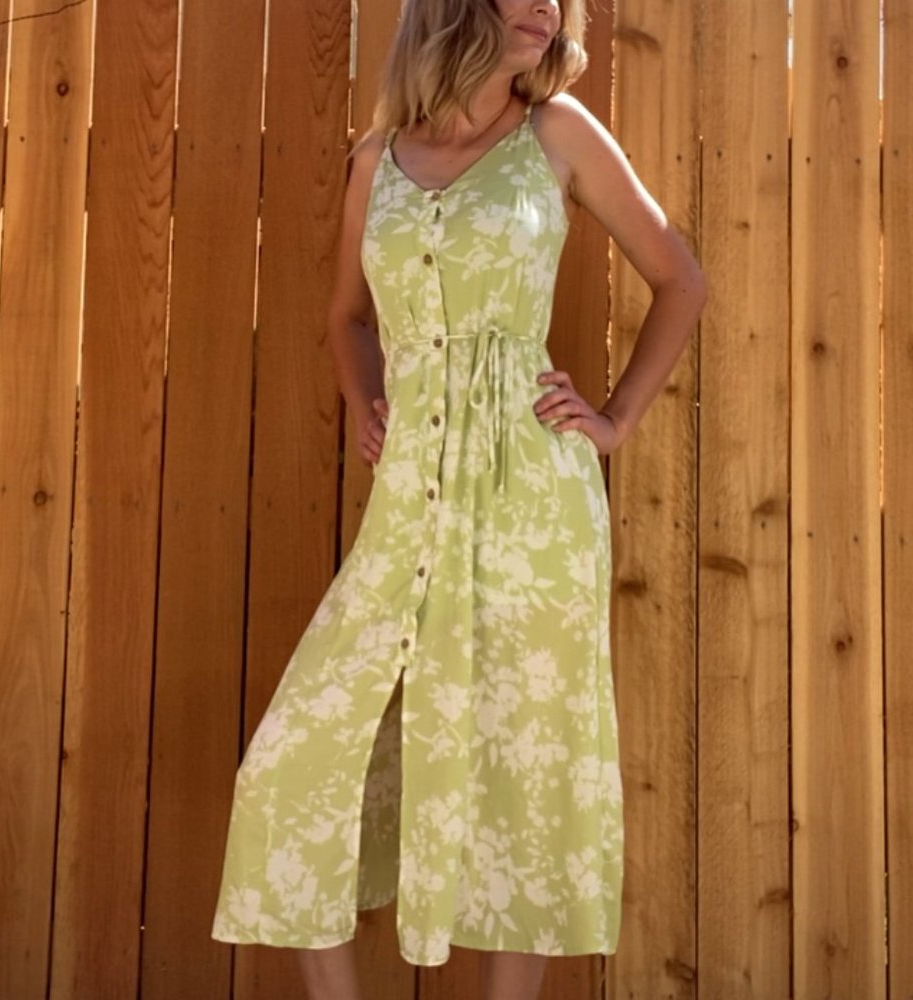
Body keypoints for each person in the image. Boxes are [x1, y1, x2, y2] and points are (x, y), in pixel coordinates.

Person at [211, 0, 706, 997]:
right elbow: (346, 315)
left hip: (533, 505)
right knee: (288, 765)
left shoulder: (556, 133)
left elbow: (679, 278)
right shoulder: (376, 159)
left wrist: (609, 421)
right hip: (408, 507)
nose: (544, 11)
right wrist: (366, 396)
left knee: (515, 775)